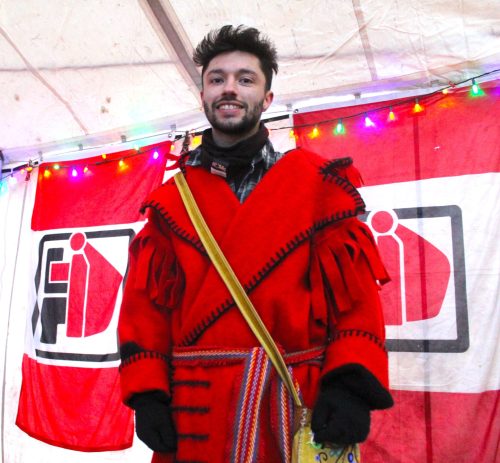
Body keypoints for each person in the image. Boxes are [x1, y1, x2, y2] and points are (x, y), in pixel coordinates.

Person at [118, 25, 393, 463]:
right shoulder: (171, 203)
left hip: (291, 401)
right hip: (196, 413)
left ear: (266, 99)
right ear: (204, 94)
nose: (230, 88)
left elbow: (354, 298)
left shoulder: (318, 186)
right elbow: (144, 309)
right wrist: (149, 395)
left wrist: (349, 387)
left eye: (245, 79)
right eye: (217, 79)